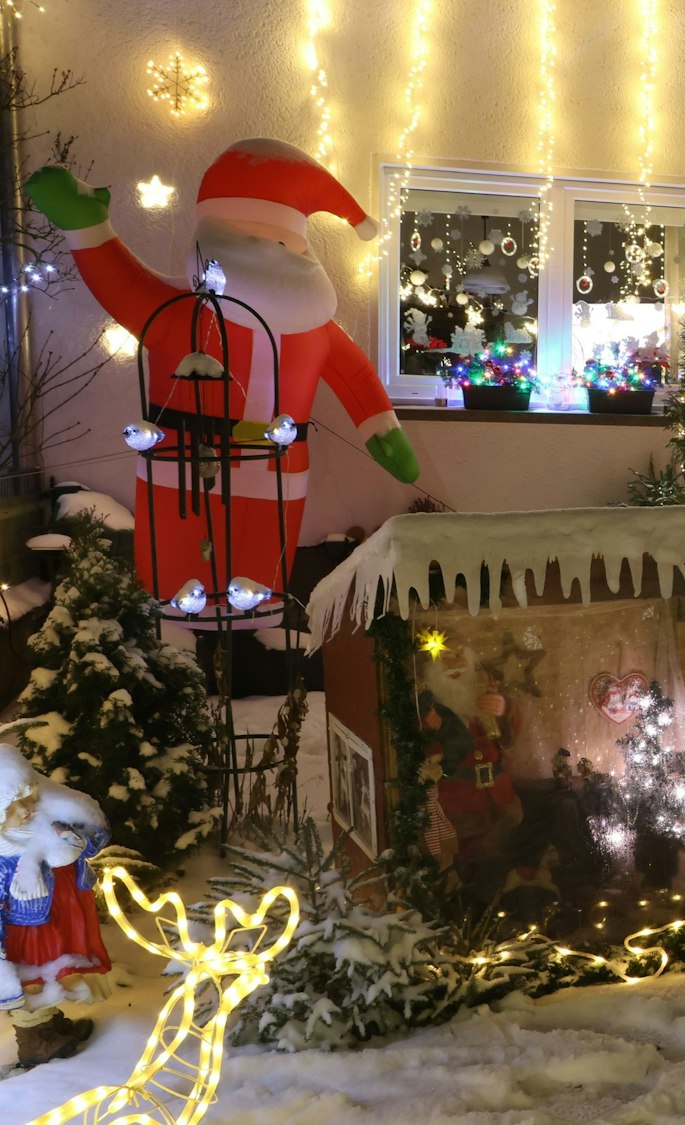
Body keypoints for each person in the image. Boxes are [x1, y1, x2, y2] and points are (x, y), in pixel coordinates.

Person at [24, 139, 420, 614]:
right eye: (245, 233)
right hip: (180, 461)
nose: (266, 251)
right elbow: (122, 284)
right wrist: (86, 224)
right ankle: (176, 629)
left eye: (280, 240)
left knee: (260, 569)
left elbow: (355, 377)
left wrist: (383, 428)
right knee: (175, 571)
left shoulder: (316, 328)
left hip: (277, 471)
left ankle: (259, 625)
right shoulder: (178, 311)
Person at [0, 743, 111, 1069]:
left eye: (28, 799)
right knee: (30, 978)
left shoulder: (45, 818)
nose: (25, 811)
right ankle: (34, 1040)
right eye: (11, 806)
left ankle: (50, 1023)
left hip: (60, 918)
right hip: (27, 933)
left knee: (54, 971)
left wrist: (79, 841)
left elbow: (94, 829)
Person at [417, 636, 522, 876]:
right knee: (457, 861)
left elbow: (509, 736)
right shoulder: (429, 705)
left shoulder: (486, 686)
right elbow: (421, 741)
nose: (454, 665)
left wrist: (504, 710)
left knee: (497, 858)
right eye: (445, 659)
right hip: (455, 800)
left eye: (459, 656)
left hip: (497, 797)